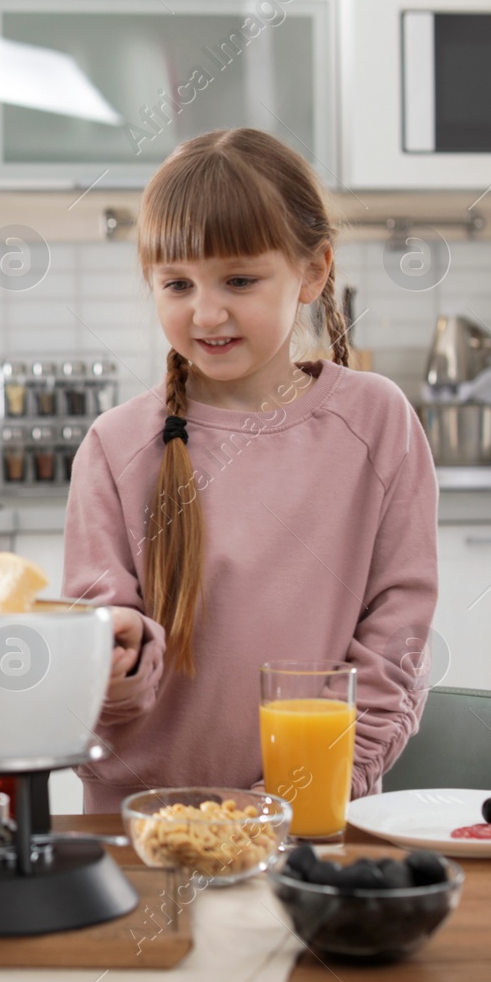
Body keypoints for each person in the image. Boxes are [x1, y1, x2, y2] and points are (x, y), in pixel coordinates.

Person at [63, 128, 439, 813]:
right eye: (178, 283)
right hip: (141, 828)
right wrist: (113, 656)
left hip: (314, 820)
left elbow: (398, 632)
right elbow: (103, 667)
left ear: (315, 270)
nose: (207, 312)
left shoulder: (376, 421)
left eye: (239, 279)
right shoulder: (115, 446)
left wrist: (315, 785)